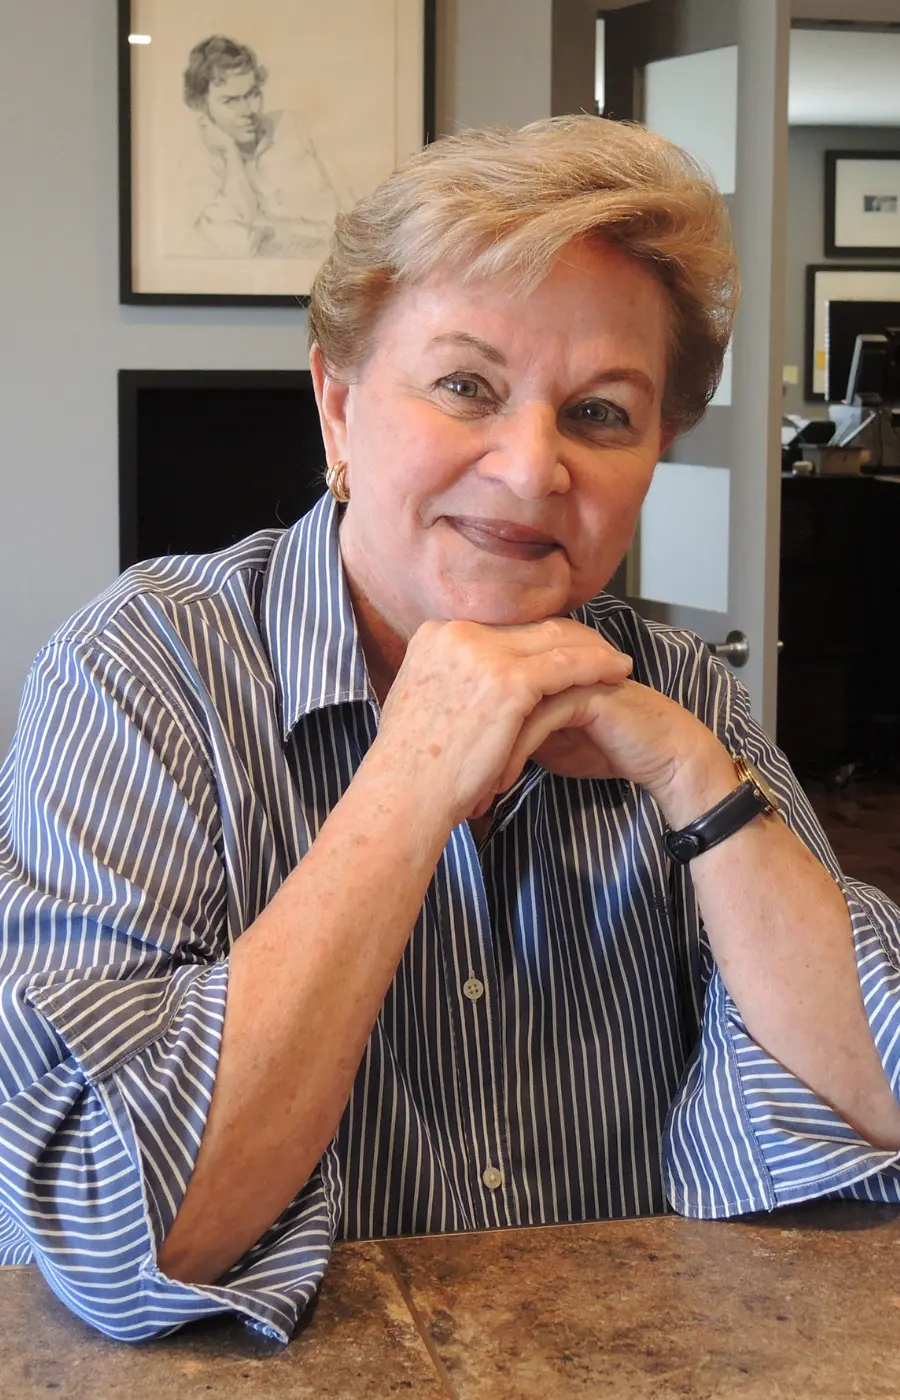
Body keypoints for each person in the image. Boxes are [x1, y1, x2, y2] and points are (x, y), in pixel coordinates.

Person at [1, 116, 899, 1346]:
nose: (532, 470)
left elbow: (882, 1092)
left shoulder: (685, 691)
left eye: (597, 413)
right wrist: (414, 773)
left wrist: (700, 775)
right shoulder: (142, 674)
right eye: (466, 384)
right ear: (337, 402)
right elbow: (121, 1230)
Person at [182, 35, 341, 258]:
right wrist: (231, 154)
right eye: (231, 101)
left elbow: (350, 206)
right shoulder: (196, 166)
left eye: (252, 95)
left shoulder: (292, 125)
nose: (248, 110)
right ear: (201, 105)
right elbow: (247, 249)